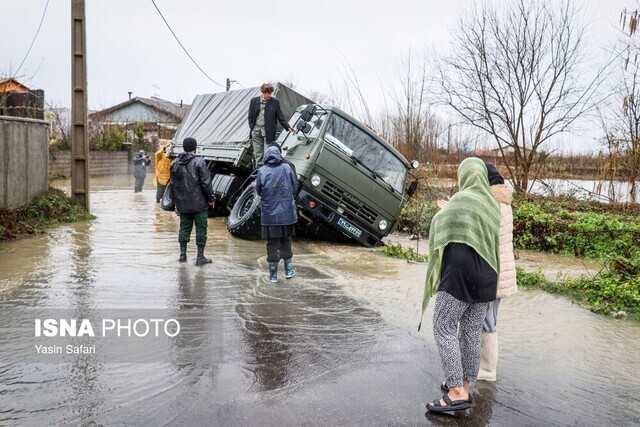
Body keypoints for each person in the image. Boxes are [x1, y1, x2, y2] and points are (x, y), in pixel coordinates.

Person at [419, 157, 501, 414]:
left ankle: (455, 391)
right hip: (488, 276)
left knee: (444, 327)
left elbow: (439, 226)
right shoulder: (491, 203)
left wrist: (444, 210)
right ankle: (466, 384)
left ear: (464, 176)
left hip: (460, 273)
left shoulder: (461, 200)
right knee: (471, 332)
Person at [478, 163, 517, 382]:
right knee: (491, 319)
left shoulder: (492, 204)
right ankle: (485, 366)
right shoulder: (503, 202)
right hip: (502, 271)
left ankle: (488, 370)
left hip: (493, 273)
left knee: (487, 321)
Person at [255, 145, 298, 283]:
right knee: (286, 241)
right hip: (287, 215)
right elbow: (294, 187)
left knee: (272, 244)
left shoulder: (261, 171)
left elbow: (259, 191)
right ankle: (289, 270)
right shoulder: (287, 168)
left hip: (269, 216)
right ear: (279, 155)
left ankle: (273, 275)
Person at [171, 137, 214, 266]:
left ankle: (183, 255)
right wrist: (211, 198)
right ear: (195, 147)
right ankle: (200, 257)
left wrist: (176, 203)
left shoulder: (175, 163)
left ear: (183, 147)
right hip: (199, 204)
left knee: (184, 228)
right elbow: (206, 183)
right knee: (201, 229)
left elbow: (173, 185)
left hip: (183, 204)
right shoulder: (199, 162)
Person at [247, 82, 295, 168]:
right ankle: (259, 172)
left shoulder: (275, 102)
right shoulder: (254, 101)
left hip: (268, 132)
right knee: (258, 154)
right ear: (263, 92)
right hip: (256, 131)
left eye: (270, 93)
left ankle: (266, 170)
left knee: (267, 153)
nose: (269, 95)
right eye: (267, 93)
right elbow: (250, 116)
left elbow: (280, 116)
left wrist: (288, 127)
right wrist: (252, 127)